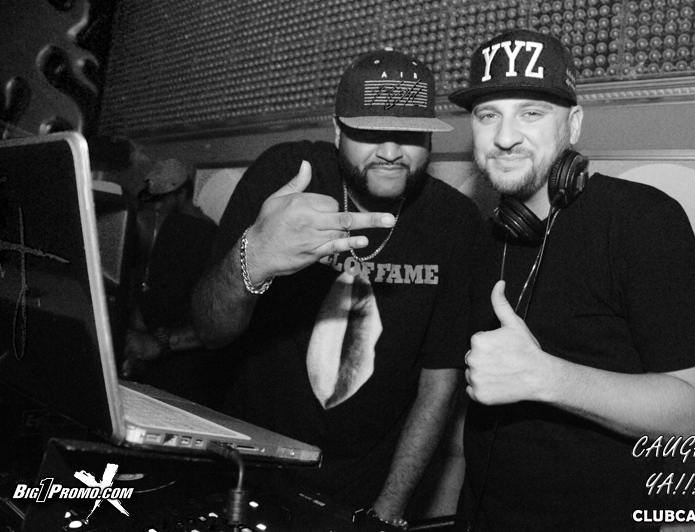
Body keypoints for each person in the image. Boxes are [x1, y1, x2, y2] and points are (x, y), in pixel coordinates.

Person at [191, 49, 487, 527]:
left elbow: (439, 382)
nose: (390, 152)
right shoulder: (288, 176)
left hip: (357, 494)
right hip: (246, 466)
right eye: (369, 131)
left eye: (410, 135)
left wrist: (388, 508)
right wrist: (253, 259)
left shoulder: (455, 223)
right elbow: (209, 330)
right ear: (337, 131)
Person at [449, 30, 695, 530]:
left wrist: (547, 378)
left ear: (572, 124)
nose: (505, 136)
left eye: (531, 113)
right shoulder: (485, 236)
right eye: (488, 116)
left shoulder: (642, 221)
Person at [123, 159, 224, 406]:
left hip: (170, 355)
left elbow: (163, 296)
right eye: (154, 200)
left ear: (182, 193)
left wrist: (142, 330)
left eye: (163, 199)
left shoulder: (183, 228)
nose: (158, 206)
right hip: (186, 355)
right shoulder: (209, 229)